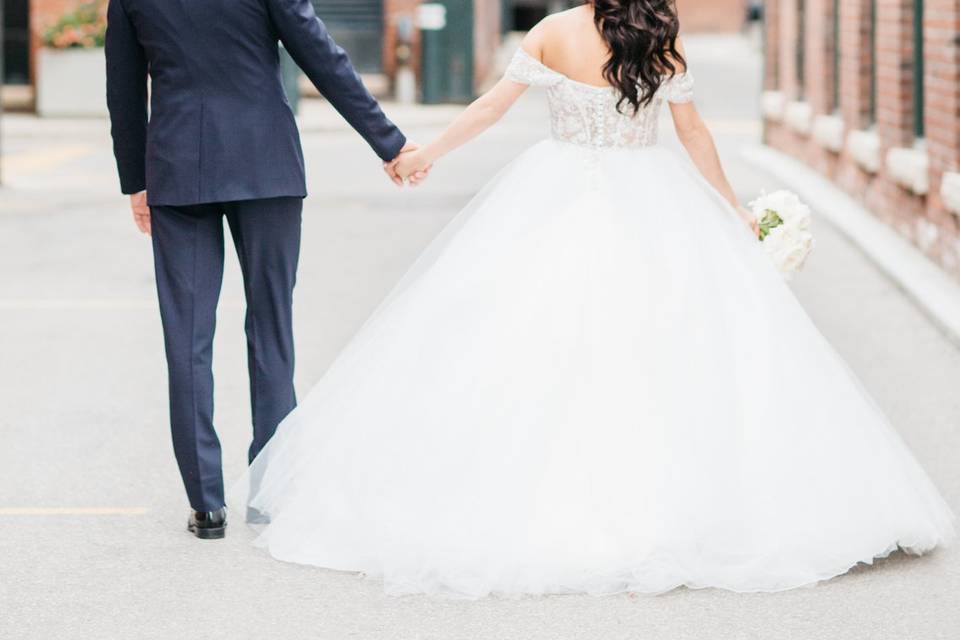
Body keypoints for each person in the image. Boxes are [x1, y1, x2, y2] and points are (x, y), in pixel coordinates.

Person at [234, 0, 954, 596]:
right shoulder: (660, 35)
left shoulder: (552, 32)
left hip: (555, 192)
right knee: (663, 348)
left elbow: (490, 108)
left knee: (530, 342)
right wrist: (730, 207)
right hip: (652, 194)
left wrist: (423, 154)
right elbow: (693, 132)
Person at [105, 0, 426, 539]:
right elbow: (321, 56)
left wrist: (136, 179)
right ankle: (271, 491)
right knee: (271, 326)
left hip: (179, 167)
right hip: (267, 164)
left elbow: (123, 89)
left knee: (186, 337)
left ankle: (206, 504)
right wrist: (389, 142)